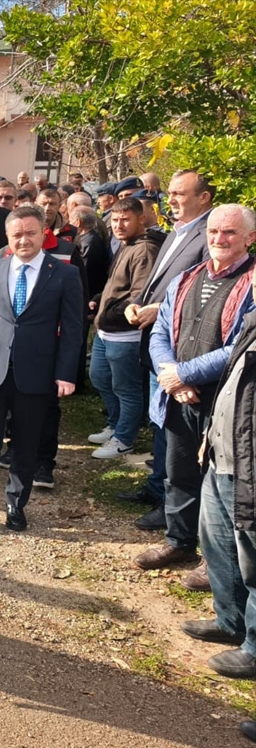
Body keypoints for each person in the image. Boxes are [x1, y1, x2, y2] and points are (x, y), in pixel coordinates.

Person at [135, 205, 255, 573]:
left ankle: (216, 560)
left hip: (225, 403)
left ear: (250, 238)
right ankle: (179, 542)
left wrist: (182, 374)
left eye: (230, 233)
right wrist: (172, 378)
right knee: (179, 472)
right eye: (215, 231)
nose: (219, 238)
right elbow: (159, 332)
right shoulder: (187, 278)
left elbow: (239, 346)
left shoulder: (252, 283)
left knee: (220, 485)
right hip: (179, 397)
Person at [0, 205, 83, 532]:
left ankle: (15, 505)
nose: (24, 240)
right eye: (17, 234)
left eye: (30, 233)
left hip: (36, 373)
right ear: (8, 238)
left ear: (43, 234)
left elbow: (73, 328)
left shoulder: (65, 274)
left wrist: (66, 373)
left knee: (25, 446)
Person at [120, 170, 213, 544]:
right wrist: (138, 305)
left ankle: (170, 503)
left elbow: (203, 294)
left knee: (174, 432)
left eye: (179, 193)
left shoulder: (209, 235)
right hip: (157, 344)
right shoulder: (177, 231)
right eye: (170, 193)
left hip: (182, 352)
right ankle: (157, 485)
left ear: (203, 198)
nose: (169, 199)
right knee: (159, 423)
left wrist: (159, 310)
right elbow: (163, 283)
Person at [181, 273, 256, 680]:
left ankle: (254, 647)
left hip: (248, 465)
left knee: (252, 557)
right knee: (219, 543)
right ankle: (230, 622)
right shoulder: (252, 323)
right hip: (221, 454)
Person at [87, 197, 162, 459]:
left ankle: (124, 438)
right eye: (115, 220)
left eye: (125, 219)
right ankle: (116, 424)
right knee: (100, 378)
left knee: (126, 388)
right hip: (105, 331)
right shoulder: (124, 245)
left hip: (126, 334)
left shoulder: (144, 250)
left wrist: (113, 312)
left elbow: (140, 296)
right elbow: (116, 285)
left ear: (141, 218)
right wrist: (99, 299)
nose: (118, 225)